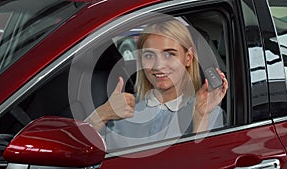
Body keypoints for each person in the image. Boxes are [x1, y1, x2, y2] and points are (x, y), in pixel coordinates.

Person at [85, 18, 228, 150]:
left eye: (169, 54)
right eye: (149, 55)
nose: (158, 66)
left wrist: (201, 117)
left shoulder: (209, 112)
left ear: (188, 58)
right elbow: (81, 152)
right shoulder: (121, 107)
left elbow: (206, 162)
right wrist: (102, 114)